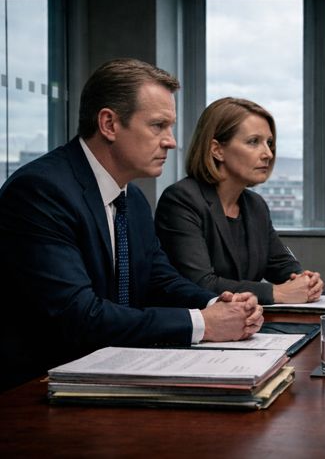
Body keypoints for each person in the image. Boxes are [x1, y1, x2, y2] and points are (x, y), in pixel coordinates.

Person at [0, 58, 263, 391]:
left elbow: (159, 279)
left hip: (110, 374)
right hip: (36, 390)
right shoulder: (40, 191)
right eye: (158, 126)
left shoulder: (133, 199)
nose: (171, 141)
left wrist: (219, 305)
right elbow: (78, 315)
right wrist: (202, 323)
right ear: (109, 124)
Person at [155, 97, 324, 305]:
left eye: (269, 143)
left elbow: (282, 265)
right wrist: (276, 293)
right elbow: (200, 283)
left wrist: (305, 281)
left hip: (246, 321)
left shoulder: (255, 205)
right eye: (254, 142)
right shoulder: (181, 200)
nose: (268, 154)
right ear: (217, 150)